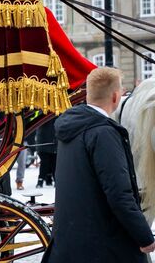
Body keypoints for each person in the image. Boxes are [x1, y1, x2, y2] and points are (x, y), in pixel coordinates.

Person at [42, 68, 155, 262]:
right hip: (102, 245)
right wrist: (144, 237)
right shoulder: (104, 133)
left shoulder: (72, 126)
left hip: (72, 241)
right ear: (115, 97)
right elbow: (119, 193)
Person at [36, 118, 57, 188]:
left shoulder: (59, 111)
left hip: (52, 141)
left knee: (54, 163)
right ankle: (41, 180)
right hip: (44, 141)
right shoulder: (43, 111)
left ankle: (49, 179)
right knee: (45, 163)